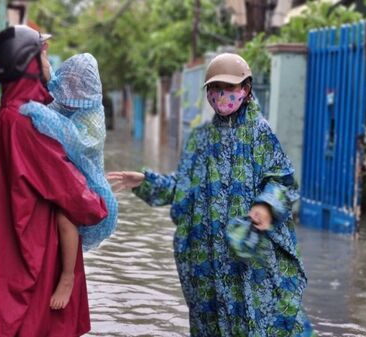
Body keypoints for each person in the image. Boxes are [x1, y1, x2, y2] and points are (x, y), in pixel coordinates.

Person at [107, 53, 316, 337]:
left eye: (230, 89)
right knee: (212, 325)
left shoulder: (259, 133)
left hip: (247, 259)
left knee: (261, 322)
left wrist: (265, 207)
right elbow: (183, 187)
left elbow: (281, 181)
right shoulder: (201, 139)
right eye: (216, 89)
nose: (222, 96)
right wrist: (145, 181)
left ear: (246, 89)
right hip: (208, 261)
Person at [0, 25, 107, 337]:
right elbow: (73, 194)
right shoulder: (26, 124)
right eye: (42, 55)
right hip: (33, 258)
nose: (49, 62)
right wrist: (102, 197)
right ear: (26, 63)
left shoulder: (5, 116)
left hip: (10, 252)